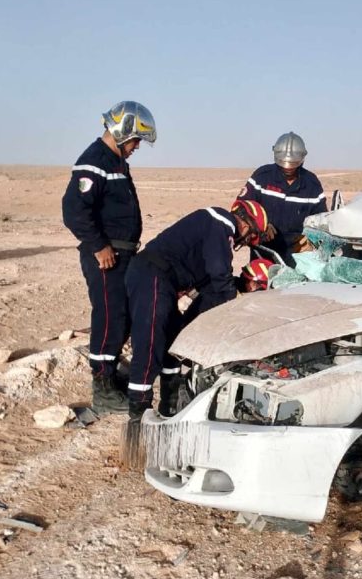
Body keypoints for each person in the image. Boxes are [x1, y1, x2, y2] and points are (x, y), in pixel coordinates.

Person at [124, 200, 268, 420]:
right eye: (251, 236)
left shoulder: (214, 233)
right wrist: (234, 298)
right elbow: (219, 272)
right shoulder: (221, 222)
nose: (246, 241)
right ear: (246, 224)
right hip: (152, 273)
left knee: (173, 338)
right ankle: (138, 408)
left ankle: (170, 401)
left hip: (165, 281)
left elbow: (211, 284)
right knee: (151, 338)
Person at [62, 101, 156, 415]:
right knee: (109, 317)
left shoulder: (116, 162)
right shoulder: (94, 161)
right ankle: (102, 388)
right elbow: (74, 211)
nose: (136, 147)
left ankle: (112, 376)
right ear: (122, 132)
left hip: (122, 254)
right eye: (135, 140)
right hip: (106, 256)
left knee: (123, 316)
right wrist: (98, 245)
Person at [236, 132, 327, 265]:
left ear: (302, 159)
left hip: (298, 256)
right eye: (283, 163)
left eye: (293, 164)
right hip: (264, 251)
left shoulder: (312, 184)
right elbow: (241, 209)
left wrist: (312, 241)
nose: (288, 168)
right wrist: (261, 226)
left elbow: (322, 221)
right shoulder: (262, 177)